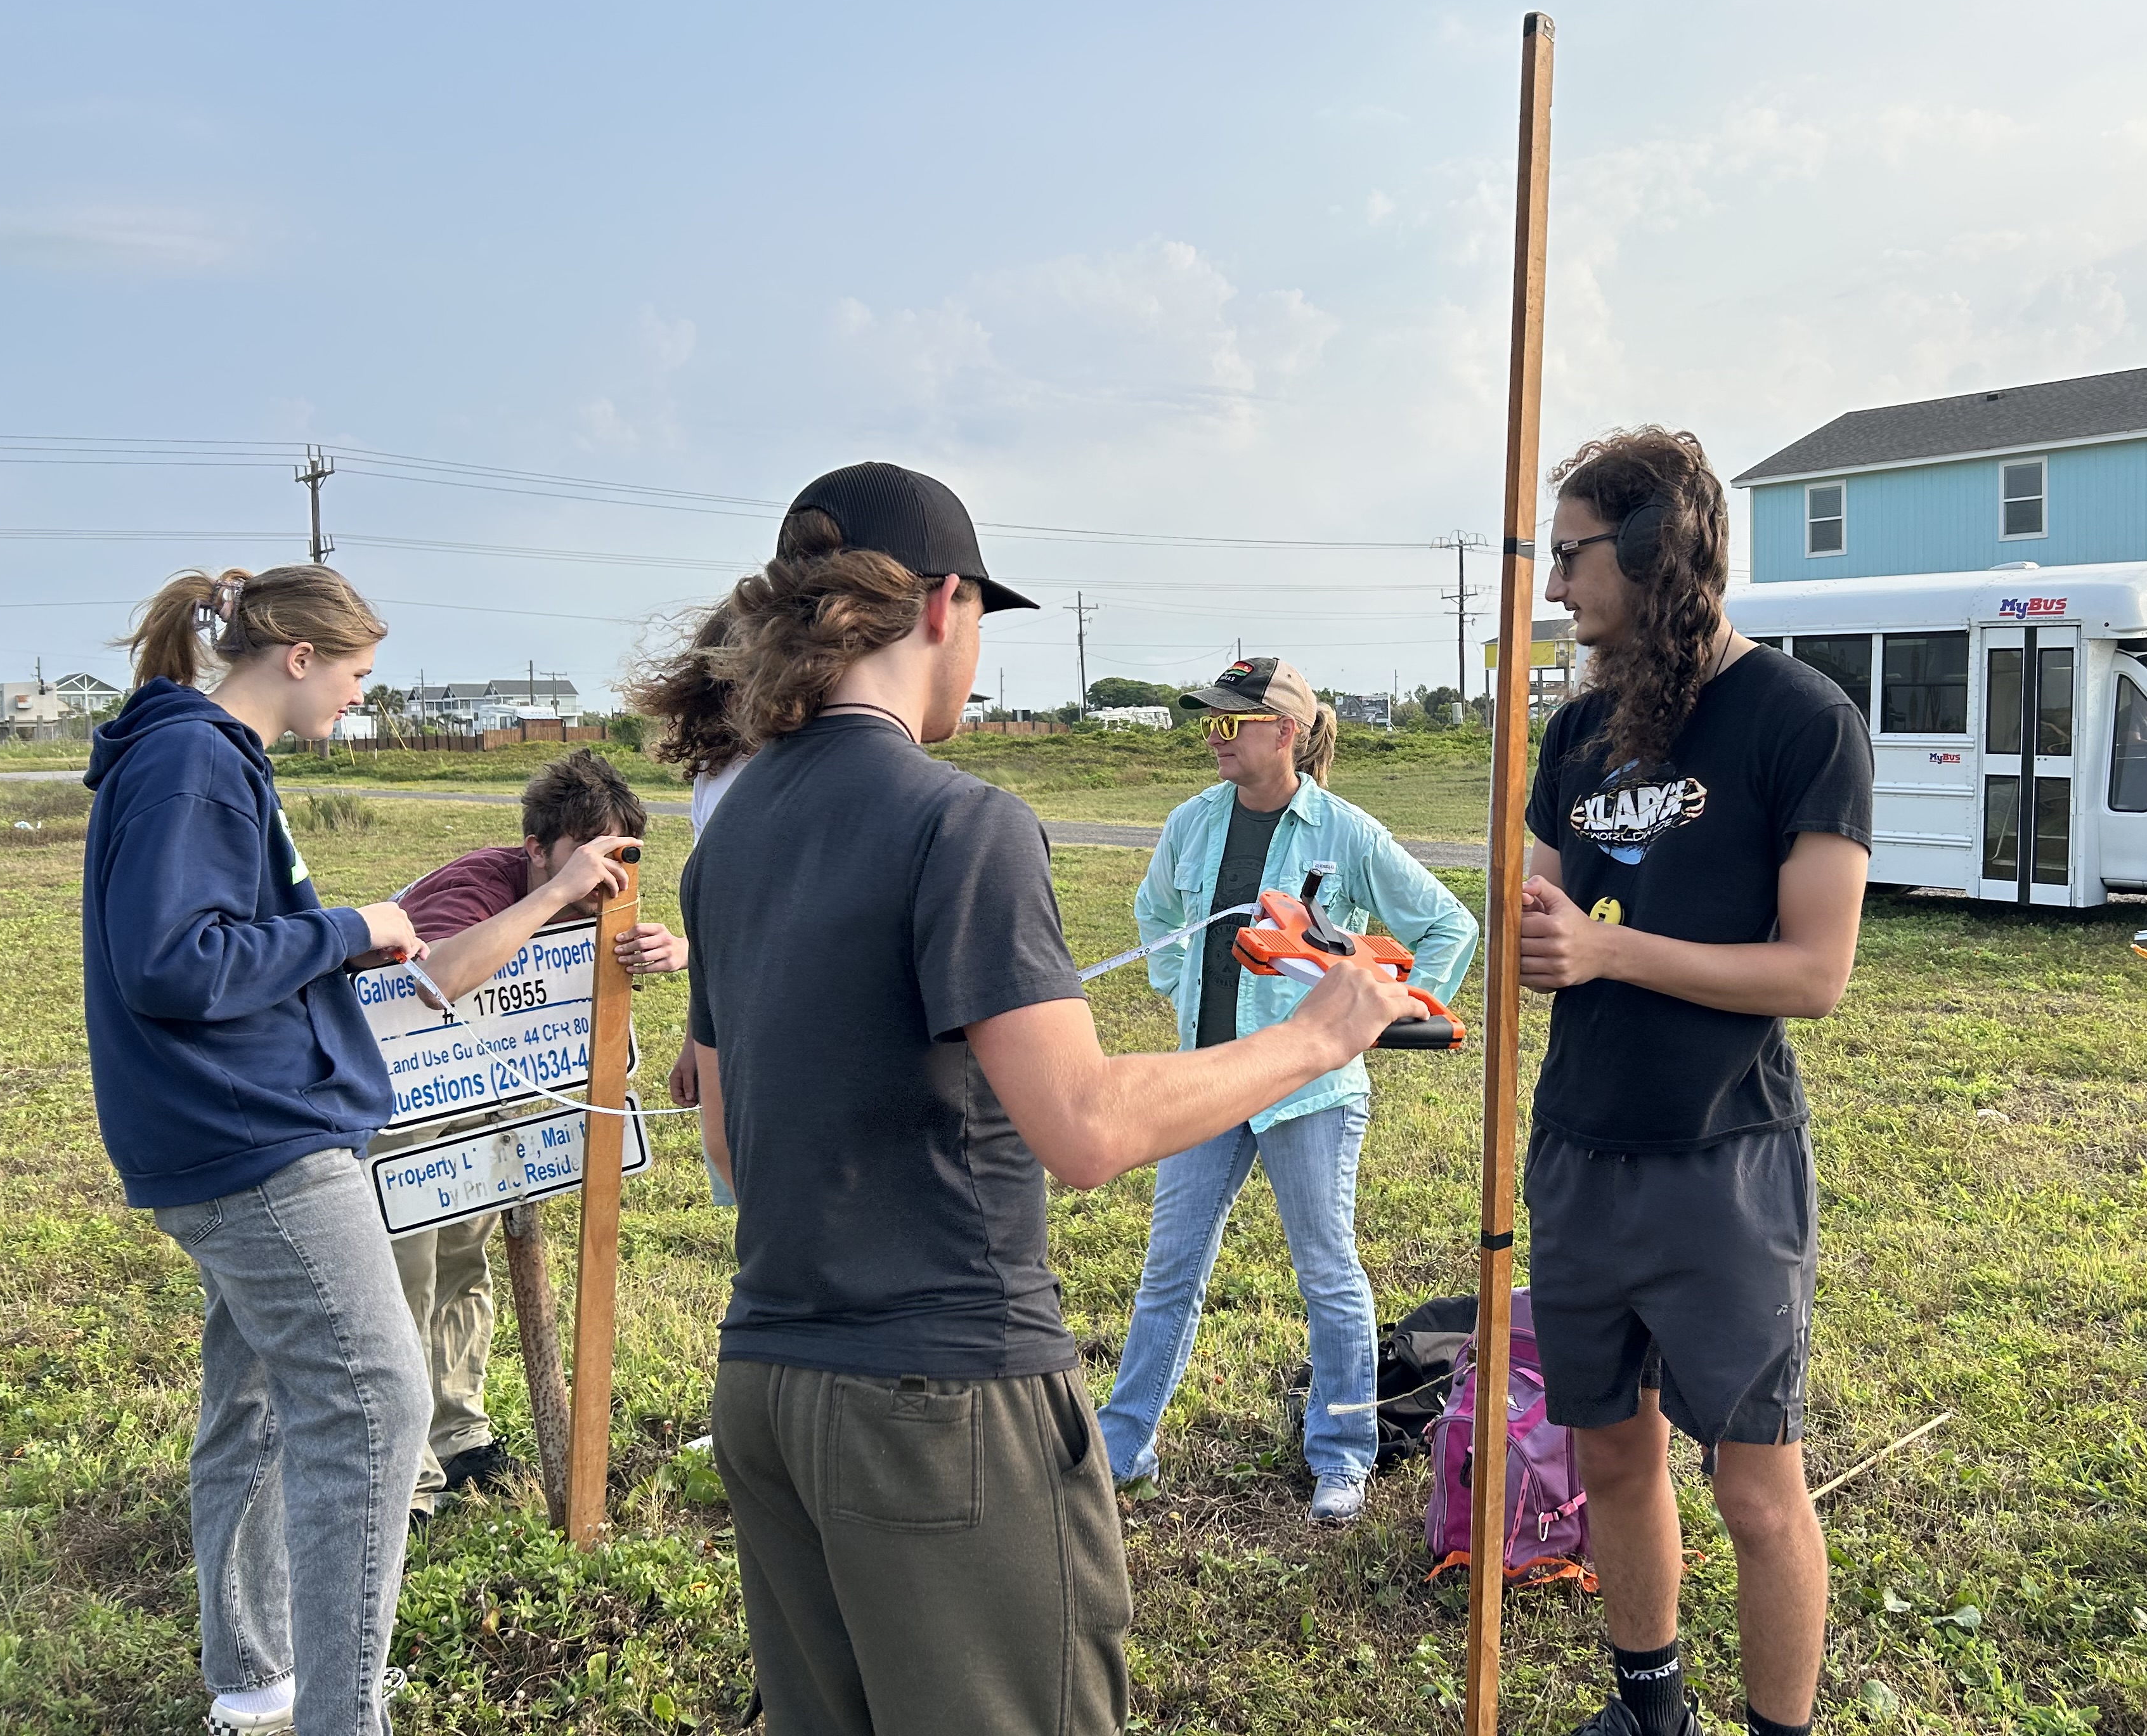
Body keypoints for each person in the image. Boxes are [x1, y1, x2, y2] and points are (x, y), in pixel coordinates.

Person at [679, 463, 1422, 1735]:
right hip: (939, 1404)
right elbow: (1082, 1126)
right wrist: (1319, 1035)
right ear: (945, 605)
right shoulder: (958, 822)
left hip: (766, 1386)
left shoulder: (733, 825)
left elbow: (730, 1146)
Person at [1515, 428, 1874, 1736]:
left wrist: (1611, 947)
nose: (1556, 586)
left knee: (1755, 1487)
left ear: (1654, 550)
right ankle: (1648, 1706)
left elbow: (1812, 974)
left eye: (1572, 555)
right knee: (1609, 1451)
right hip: (1579, 1150)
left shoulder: (1799, 719)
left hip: (1725, 1162)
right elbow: (1538, 914)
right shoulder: (1576, 730)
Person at [83, 567, 432, 1736]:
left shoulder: (190, 752)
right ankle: (345, 1714)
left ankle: (256, 1678)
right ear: (297, 656)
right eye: (357, 675)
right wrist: (349, 927)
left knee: (270, 1402)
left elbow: (211, 944)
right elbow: (174, 961)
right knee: (378, 1403)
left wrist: (327, 948)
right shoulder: (193, 759)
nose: (358, 700)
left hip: (223, 1123)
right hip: (253, 1135)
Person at [1098, 655, 1476, 1524]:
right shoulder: (1192, 823)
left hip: (1312, 1093)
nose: (1214, 734)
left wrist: (1396, 1014)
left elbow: (1447, 922)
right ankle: (1122, 1450)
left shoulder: (1345, 831)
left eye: (1233, 721)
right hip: (1208, 1081)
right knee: (1169, 1271)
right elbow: (1156, 915)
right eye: (1210, 720)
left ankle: (1342, 1456)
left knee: (1327, 1275)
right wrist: (1176, 988)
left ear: (1286, 733)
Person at [368, 748, 679, 1528]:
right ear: (534, 849)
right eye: (581, 863)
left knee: (461, 1262)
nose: (599, 886)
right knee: (404, 1276)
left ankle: (460, 1436)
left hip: (479, 1083)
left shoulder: (585, 896)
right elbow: (435, 979)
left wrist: (660, 950)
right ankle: (404, 1480)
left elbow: (583, 973)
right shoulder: (476, 885)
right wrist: (563, 895)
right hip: (394, 1091)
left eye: (615, 862)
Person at [623, 599, 752, 1202]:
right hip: (730, 1018)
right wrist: (695, 1043)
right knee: (740, 1184)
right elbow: (720, 919)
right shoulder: (714, 775)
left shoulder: (812, 767)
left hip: (788, 1020)